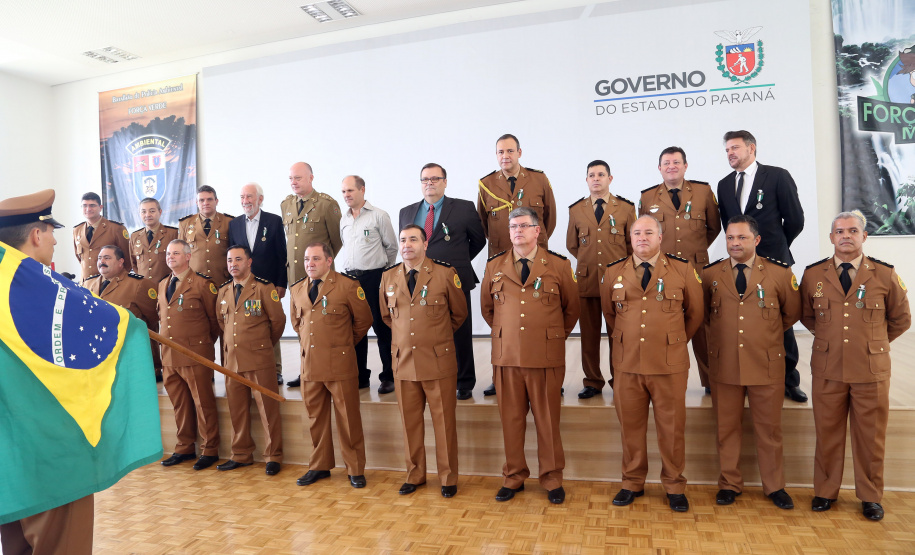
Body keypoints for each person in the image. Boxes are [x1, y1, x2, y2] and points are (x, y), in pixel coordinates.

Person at [0, 189, 95, 555]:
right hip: (54, 450)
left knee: (17, 546)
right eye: (50, 230)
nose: (56, 239)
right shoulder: (54, 295)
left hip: (9, 451)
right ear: (36, 234)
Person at [800, 211, 910, 521]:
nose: (846, 235)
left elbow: (901, 319)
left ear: (864, 237)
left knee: (870, 437)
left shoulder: (885, 275)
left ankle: (870, 496)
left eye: (853, 231)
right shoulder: (813, 275)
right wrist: (833, 340)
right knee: (827, 433)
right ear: (831, 237)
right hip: (828, 367)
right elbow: (808, 317)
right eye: (839, 231)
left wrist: (872, 342)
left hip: (870, 371)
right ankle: (825, 491)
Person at [600, 215, 703, 512]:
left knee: (671, 429)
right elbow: (611, 314)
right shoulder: (612, 272)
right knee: (630, 427)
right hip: (627, 362)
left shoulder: (682, 270)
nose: (642, 237)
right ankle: (632, 481)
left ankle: (674, 484)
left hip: (668, 363)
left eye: (648, 232)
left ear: (660, 237)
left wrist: (671, 340)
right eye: (636, 233)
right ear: (629, 238)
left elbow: (694, 315)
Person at [480, 207, 579, 504]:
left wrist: (546, 336)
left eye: (524, 226)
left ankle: (551, 478)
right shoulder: (494, 266)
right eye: (513, 226)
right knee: (511, 420)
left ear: (538, 231)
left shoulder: (559, 265)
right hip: (507, 357)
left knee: (547, 421)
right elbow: (488, 309)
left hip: (545, 356)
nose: (517, 231)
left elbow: (571, 309)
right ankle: (513, 476)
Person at [701, 215, 800, 510]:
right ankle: (729, 484)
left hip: (766, 364)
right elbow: (704, 315)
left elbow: (791, 313)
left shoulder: (779, 274)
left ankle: (774, 486)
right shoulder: (710, 275)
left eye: (742, 238)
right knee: (726, 428)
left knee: (769, 430)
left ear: (756, 240)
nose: (735, 243)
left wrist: (762, 335)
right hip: (725, 364)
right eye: (730, 238)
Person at [717, 130, 807, 403]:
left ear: (751, 148)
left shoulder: (777, 176)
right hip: (740, 265)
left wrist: (774, 246)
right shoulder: (723, 184)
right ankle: (747, 377)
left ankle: (790, 380)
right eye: (727, 150)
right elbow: (727, 226)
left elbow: (795, 219)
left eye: (734, 148)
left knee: (782, 320)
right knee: (745, 320)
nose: (730, 153)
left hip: (774, 261)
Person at [381, 225, 467, 497]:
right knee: (410, 424)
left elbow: (459, 313)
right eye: (403, 240)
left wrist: (435, 338)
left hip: (437, 362)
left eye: (413, 239)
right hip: (404, 362)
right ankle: (415, 474)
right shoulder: (388, 277)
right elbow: (386, 317)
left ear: (425, 244)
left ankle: (448, 478)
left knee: (444, 425)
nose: (407, 245)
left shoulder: (444, 274)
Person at [399, 163, 485, 399]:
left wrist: (456, 262)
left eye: (435, 178)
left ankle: (465, 381)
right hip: (418, 283)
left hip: (454, 279)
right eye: (425, 179)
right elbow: (407, 245)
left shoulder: (464, 208)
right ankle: (430, 374)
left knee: (460, 331)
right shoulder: (407, 212)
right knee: (424, 331)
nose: (430, 183)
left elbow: (478, 241)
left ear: (445, 182)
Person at [289, 242, 371, 488]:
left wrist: (341, 345)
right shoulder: (297, 290)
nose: (309, 264)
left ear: (329, 261)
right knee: (316, 419)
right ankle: (320, 466)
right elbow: (298, 324)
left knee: (348, 419)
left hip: (340, 365)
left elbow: (363, 321)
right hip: (310, 366)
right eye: (306, 259)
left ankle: (355, 469)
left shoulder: (347, 286)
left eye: (315, 259)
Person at [639, 146, 719, 393]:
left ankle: (710, 382)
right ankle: (664, 378)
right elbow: (643, 232)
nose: (671, 166)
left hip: (697, 270)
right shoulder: (648, 197)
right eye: (666, 163)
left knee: (703, 326)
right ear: (659, 168)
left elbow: (714, 227)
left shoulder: (703, 192)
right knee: (664, 324)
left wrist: (696, 251)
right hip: (663, 273)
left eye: (676, 162)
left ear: (686, 166)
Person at [567, 160, 635, 398]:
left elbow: (630, 246)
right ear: (586, 180)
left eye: (601, 174)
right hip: (587, 282)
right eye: (591, 175)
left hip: (617, 284)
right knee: (589, 335)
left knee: (619, 333)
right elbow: (572, 245)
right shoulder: (576, 210)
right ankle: (592, 381)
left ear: (610, 178)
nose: (596, 179)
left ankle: (621, 379)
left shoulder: (626, 208)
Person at [216, 245, 286, 475]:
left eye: (238, 259)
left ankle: (273, 456)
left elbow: (277, 322)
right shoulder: (224, 291)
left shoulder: (264, 288)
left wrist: (261, 344)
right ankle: (241, 454)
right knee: (237, 411)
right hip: (232, 361)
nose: (233, 264)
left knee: (268, 410)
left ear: (249, 262)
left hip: (258, 358)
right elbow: (222, 322)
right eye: (229, 260)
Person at [156, 239, 222, 471]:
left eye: (175, 253)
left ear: (187, 256)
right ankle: (184, 447)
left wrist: (202, 345)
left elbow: (215, 322)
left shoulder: (203, 284)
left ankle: (209, 449)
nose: (170, 257)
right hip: (170, 356)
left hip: (195, 354)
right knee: (180, 404)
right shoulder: (164, 283)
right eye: (168, 253)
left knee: (203, 403)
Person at [332, 175, 397, 392]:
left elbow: (392, 248)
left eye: (350, 191)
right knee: (356, 329)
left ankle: (389, 376)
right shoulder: (344, 220)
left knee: (381, 327)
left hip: (375, 278)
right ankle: (360, 376)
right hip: (351, 280)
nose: (346, 195)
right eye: (343, 192)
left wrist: (383, 275)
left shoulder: (378, 216)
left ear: (362, 190)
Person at [227, 183, 288, 385]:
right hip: (243, 286)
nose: (246, 201)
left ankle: (275, 369)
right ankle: (245, 367)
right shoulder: (234, 224)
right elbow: (232, 256)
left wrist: (281, 283)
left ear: (260, 199)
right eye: (242, 197)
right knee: (246, 326)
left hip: (267, 285)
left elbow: (282, 256)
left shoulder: (273, 221)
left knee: (271, 324)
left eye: (250, 197)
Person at [478, 134, 556, 258]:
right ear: (496, 155)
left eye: (510, 151)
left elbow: (550, 219)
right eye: (501, 152)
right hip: (501, 255)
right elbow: (483, 223)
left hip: (535, 252)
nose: (505, 156)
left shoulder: (539, 179)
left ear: (519, 153)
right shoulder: (487, 184)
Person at [281, 162, 343, 284]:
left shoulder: (326, 204)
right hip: (294, 276)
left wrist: (320, 260)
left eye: (298, 178)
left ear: (311, 178)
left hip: (320, 276)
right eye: (291, 179)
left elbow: (338, 240)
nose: (293, 182)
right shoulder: (286, 205)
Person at [84, 245, 158, 334]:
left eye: (107, 258)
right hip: (97, 342)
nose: (102, 261)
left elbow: (154, 318)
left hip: (128, 342)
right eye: (99, 258)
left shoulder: (138, 284)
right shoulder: (87, 284)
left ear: (120, 262)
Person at [177, 185, 234, 284]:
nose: (205, 203)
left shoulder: (229, 222)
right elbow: (180, 254)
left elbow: (235, 252)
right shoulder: (185, 223)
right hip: (194, 282)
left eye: (209, 199)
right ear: (196, 203)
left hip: (222, 280)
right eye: (201, 200)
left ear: (216, 201)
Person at [73, 192, 131, 282]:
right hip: (86, 283)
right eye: (84, 206)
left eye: (92, 205)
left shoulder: (116, 228)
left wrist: (120, 281)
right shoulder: (77, 230)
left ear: (100, 208)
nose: (88, 209)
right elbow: (80, 258)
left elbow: (127, 259)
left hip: (110, 282)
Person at [129, 197, 179, 283]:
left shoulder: (173, 234)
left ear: (160, 212)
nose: (147, 215)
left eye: (152, 211)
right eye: (143, 212)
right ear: (139, 214)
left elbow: (180, 262)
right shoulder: (135, 236)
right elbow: (133, 263)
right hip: (143, 287)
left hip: (166, 287)